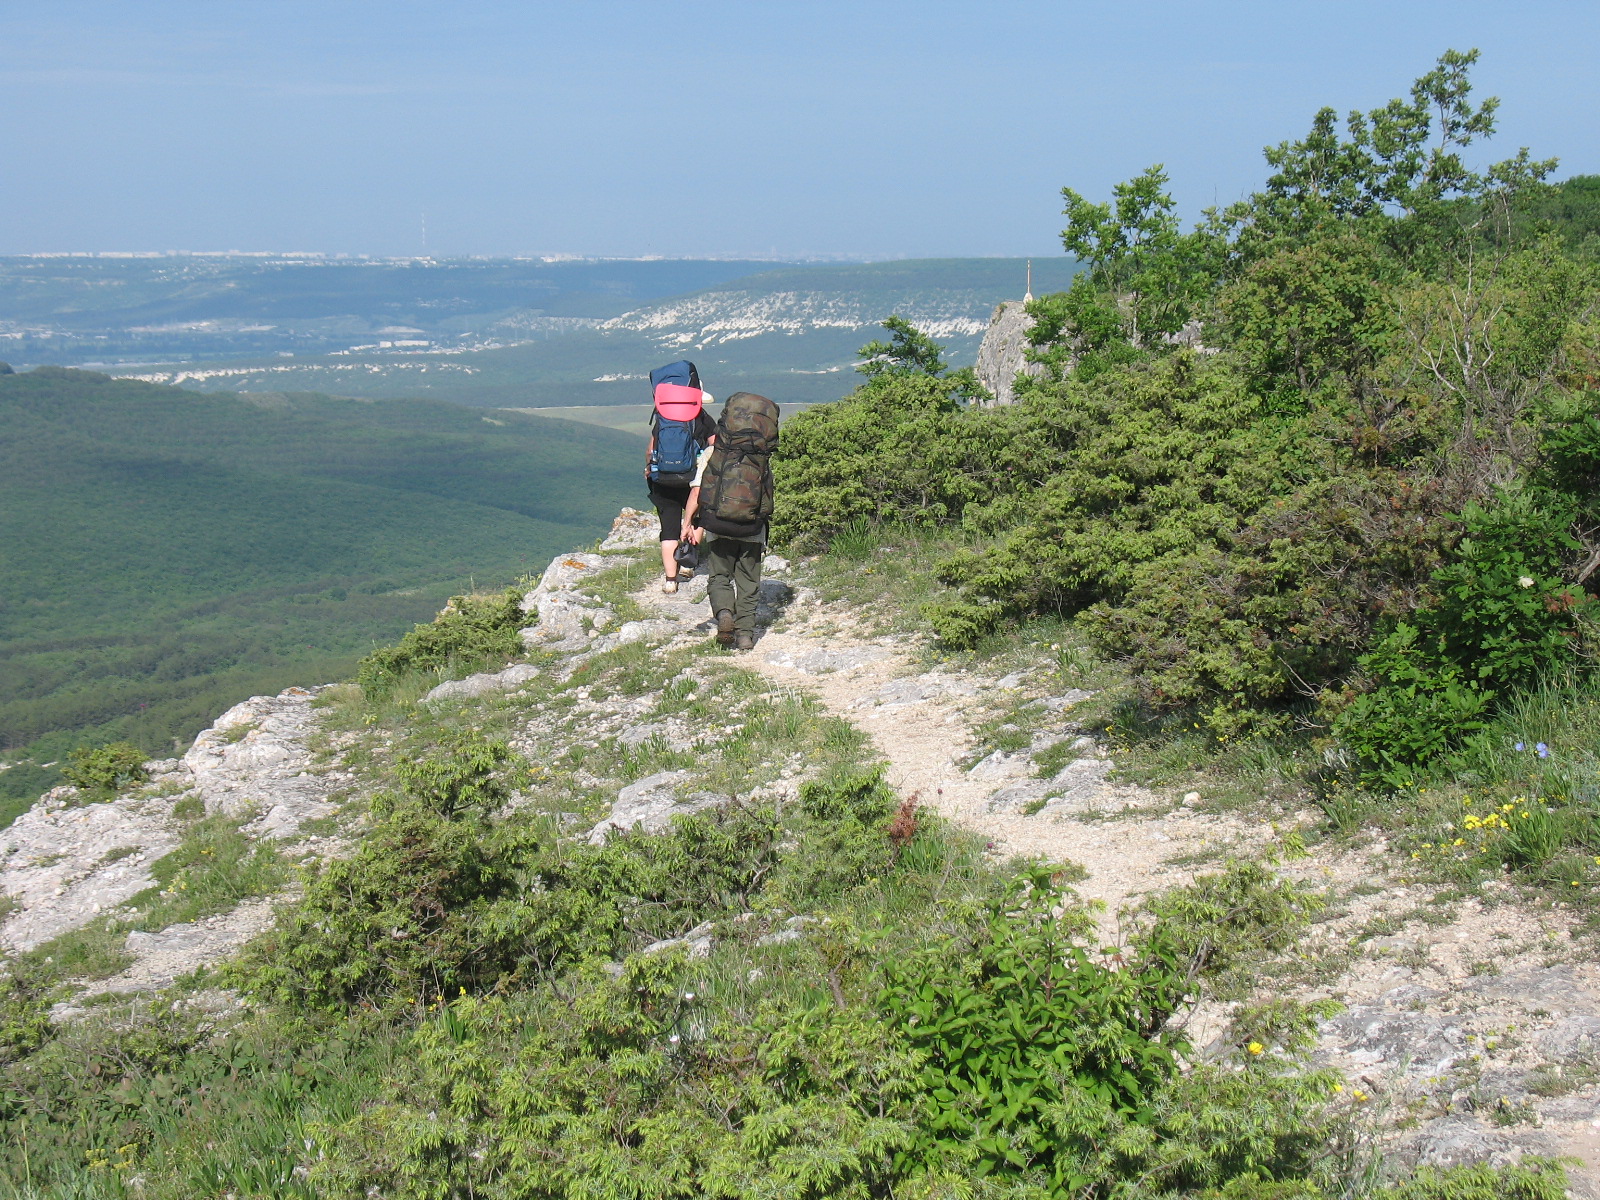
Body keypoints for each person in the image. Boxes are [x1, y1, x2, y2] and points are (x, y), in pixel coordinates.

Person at [681, 392, 779, 651]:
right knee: (748, 581)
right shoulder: (762, 456)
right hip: (752, 527)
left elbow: (697, 491)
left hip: (718, 522)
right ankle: (745, 634)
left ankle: (724, 612)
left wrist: (688, 522)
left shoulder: (715, 453)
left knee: (720, 576)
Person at [644, 365, 716, 594]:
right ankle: (688, 564)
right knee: (695, 518)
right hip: (692, 476)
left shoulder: (663, 417)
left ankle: (670, 580)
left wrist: (649, 467)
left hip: (662, 478)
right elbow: (714, 445)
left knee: (669, 528)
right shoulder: (702, 417)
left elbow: (651, 448)